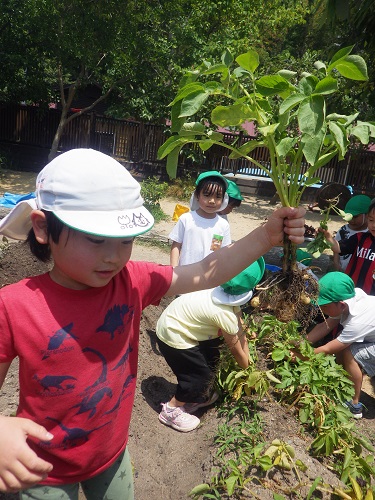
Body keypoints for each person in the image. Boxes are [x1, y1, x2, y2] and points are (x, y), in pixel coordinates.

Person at [0, 148, 305, 497]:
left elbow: (205, 272)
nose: (113, 256)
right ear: (42, 227)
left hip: (111, 457)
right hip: (41, 468)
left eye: (126, 241)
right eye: (97, 240)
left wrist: (266, 237)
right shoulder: (14, 305)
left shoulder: (132, 281)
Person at [156, 258, 264, 432]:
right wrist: (248, 369)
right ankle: (171, 409)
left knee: (212, 358)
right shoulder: (224, 315)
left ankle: (195, 396)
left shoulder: (219, 292)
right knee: (199, 377)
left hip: (181, 325)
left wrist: (246, 335)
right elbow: (236, 351)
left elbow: (238, 320)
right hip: (174, 334)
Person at [307, 272, 375, 419]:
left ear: (342, 305)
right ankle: (339, 384)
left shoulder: (358, 321)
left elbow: (328, 349)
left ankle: (353, 404)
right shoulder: (349, 298)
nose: (320, 308)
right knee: (342, 344)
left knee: (350, 353)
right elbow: (325, 326)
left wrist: (302, 356)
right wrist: (303, 342)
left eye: (324, 306)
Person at [169, 171, 231, 266]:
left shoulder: (222, 225)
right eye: (207, 195)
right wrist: (173, 269)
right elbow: (176, 245)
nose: (212, 201)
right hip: (184, 274)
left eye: (218, 197)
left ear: (223, 199)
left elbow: (217, 250)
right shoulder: (186, 219)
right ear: (197, 195)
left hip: (208, 277)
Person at [321, 197, 375, 295]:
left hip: (371, 297)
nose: (373, 225)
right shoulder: (359, 238)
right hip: (351, 292)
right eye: (371, 220)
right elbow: (338, 248)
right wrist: (328, 237)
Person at [333, 194, 371, 272]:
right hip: (342, 271)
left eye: (355, 216)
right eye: (348, 216)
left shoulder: (370, 234)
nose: (351, 220)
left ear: (367, 215)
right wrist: (336, 263)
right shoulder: (343, 230)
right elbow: (336, 248)